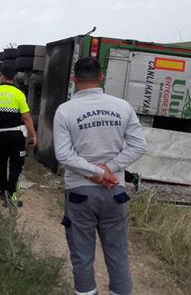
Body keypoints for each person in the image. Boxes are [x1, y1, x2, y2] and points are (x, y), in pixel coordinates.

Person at [53, 57, 147, 295]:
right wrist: (110, 168)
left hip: (79, 194)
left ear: (74, 79)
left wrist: (95, 172)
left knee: (82, 256)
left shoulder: (65, 111)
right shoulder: (122, 106)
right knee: (118, 255)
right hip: (115, 192)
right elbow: (138, 146)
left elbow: (63, 154)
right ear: (101, 77)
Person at [0, 64, 37, 207]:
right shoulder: (19, 94)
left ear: (2, 76)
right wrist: (33, 135)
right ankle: (11, 195)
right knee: (15, 165)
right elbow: (26, 117)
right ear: (14, 78)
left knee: (0, 163)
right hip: (16, 135)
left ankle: (2, 191)